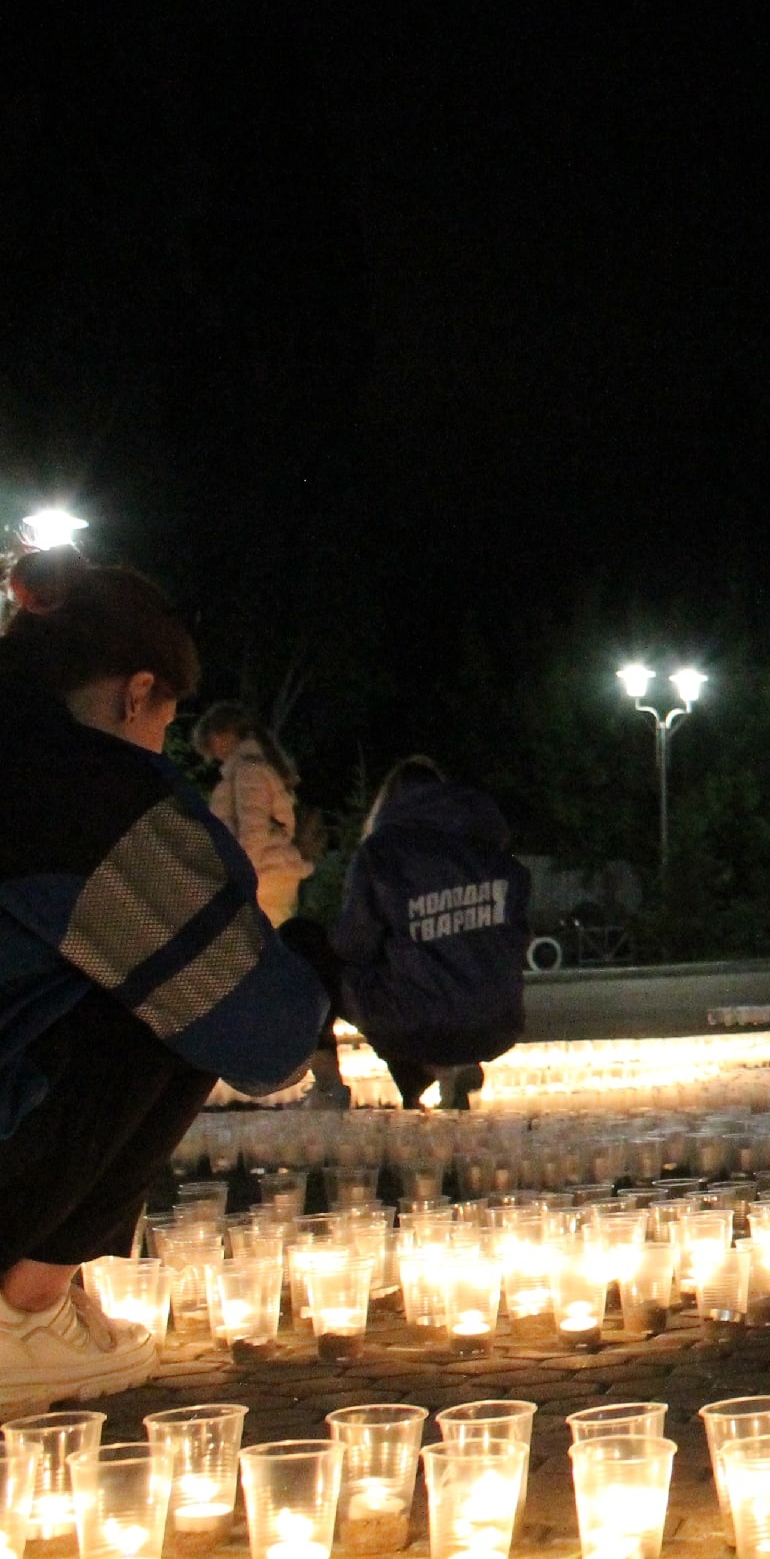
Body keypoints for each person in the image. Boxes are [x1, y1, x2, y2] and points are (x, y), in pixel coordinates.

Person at [0, 550, 328, 1408]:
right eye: (162, 726)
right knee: (186, 987)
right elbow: (265, 1034)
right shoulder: (83, 788)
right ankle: (19, 1314)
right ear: (137, 692)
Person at [331, 757, 530, 1111]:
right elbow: (515, 940)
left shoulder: (381, 854)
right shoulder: (493, 854)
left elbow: (352, 945)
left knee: (310, 949)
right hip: (497, 1022)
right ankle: (451, 1067)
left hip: (415, 1024)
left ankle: (333, 1085)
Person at [193, 701, 314, 927]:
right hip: (272, 877)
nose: (213, 753)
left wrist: (238, 882)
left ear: (222, 735)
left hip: (262, 881)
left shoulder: (248, 771)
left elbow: (253, 831)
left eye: (211, 743)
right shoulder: (261, 766)